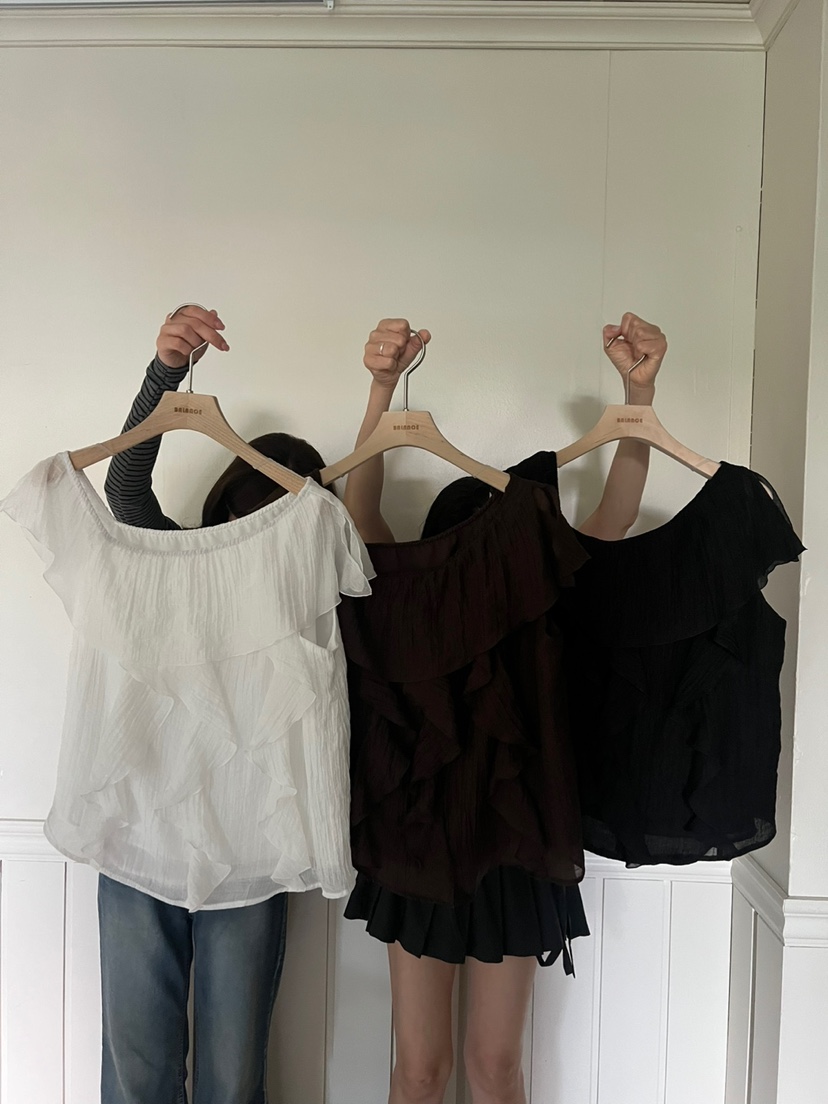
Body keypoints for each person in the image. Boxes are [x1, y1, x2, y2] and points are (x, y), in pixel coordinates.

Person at [342, 314, 667, 1104]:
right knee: (421, 1069)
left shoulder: (540, 580)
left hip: (516, 839)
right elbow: (357, 518)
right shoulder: (407, 592)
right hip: (420, 838)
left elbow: (616, 517)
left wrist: (640, 398)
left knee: (495, 1067)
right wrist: (381, 390)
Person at [99, 305, 329, 1104]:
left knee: (233, 1081)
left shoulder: (314, 607)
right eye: (247, 516)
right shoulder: (173, 560)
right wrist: (165, 375)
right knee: (138, 1075)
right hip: (141, 835)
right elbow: (124, 486)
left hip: (252, 854)